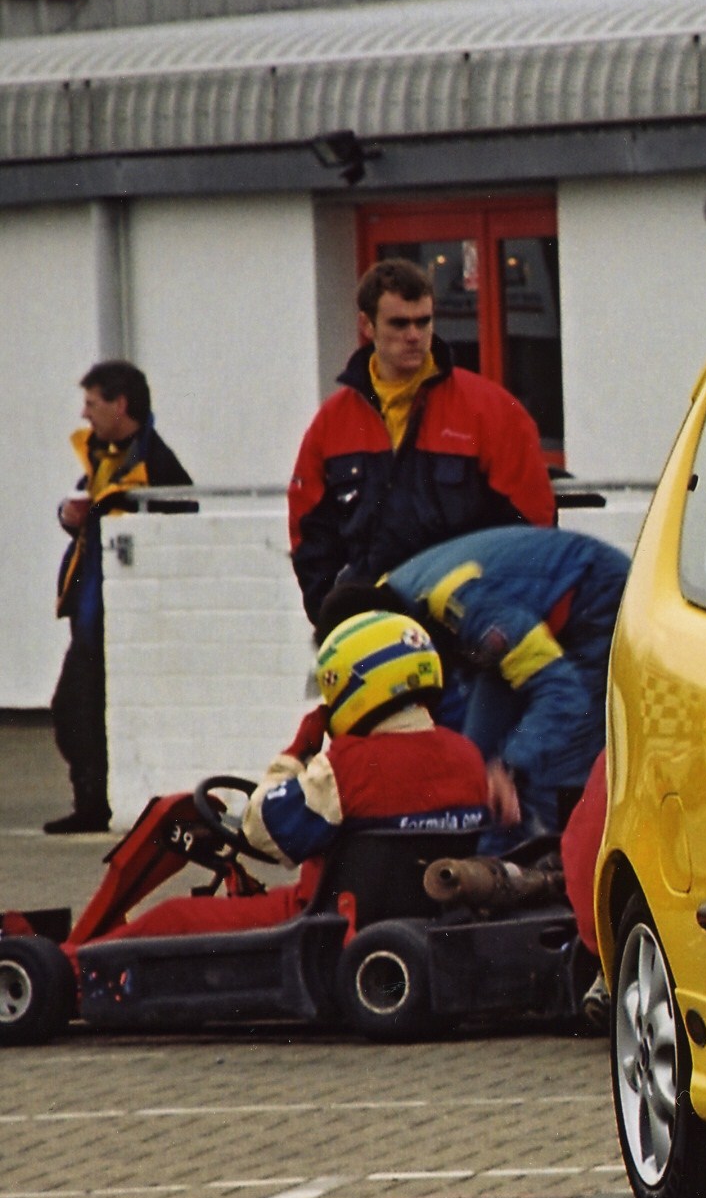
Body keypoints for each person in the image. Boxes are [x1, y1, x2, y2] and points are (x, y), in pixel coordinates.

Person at [100, 611, 487, 941]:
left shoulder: (346, 765)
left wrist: (296, 755)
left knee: (175, 917)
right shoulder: (468, 755)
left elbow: (260, 831)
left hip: (320, 919)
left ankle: (71, 965)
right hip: (426, 920)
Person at [316, 525, 628, 841]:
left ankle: (553, 875)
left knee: (539, 776)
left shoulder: (458, 600)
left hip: (593, 601)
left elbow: (562, 692)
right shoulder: (391, 603)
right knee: (477, 772)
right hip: (519, 625)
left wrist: (509, 764)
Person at [288, 258, 556, 625]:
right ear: (366, 325)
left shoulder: (491, 412)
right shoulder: (332, 423)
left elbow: (534, 528)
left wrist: (497, 619)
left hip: (466, 630)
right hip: (370, 630)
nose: (414, 335)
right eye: (399, 323)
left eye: (423, 321)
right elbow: (309, 534)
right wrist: (332, 615)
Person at [47, 362, 191, 834]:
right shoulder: (101, 454)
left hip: (121, 618)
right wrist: (71, 517)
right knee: (72, 711)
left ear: (120, 404)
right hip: (90, 612)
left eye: (92, 403)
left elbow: (184, 514)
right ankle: (91, 801)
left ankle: (96, 804)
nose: (84, 415)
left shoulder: (156, 461)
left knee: (80, 710)